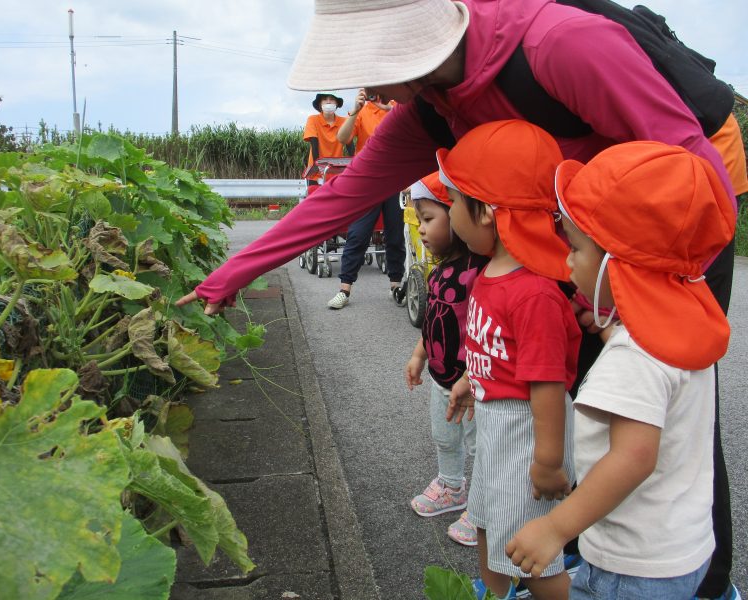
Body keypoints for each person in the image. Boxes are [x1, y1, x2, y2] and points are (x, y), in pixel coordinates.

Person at [178, 3, 738, 596]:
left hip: (680, 214)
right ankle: (571, 560)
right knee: (583, 394)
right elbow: (341, 199)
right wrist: (231, 274)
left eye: (367, 68)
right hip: (575, 232)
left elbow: (696, 169)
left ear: (408, 49)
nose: (363, 88)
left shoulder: (562, 46)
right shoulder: (429, 113)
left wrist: (638, 294)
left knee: (660, 402)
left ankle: (700, 578)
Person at [506, 141, 736, 599]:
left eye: (575, 248)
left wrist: (555, 527)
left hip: (633, 568)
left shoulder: (634, 358)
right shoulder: (685, 321)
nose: (567, 261)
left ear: (619, 263)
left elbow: (633, 457)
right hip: (684, 548)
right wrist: (616, 332)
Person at [439, 120, 581, 600]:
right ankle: (495, 593)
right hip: (497, 431)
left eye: (454, 200)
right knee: (485, 522)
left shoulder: (533, 292)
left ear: (486, 214)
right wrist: (468, 380)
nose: (449, 211)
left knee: (531, 549)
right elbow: (491, 349)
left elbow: (545, 383)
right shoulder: (491, 272)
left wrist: (546, 461)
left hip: (526, 435)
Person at [404, 172, 488, 546]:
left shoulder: (477, 272)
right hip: (441, 378)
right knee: (444, 435)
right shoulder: (439, 270)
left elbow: (483, 330)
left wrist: (470, 376)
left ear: (457, 215)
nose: (420, 229)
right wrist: (419, 354)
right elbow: (434, 319)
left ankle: (484, 506)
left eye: (428, 218)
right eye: (419, 220)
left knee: (480, 444)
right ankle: (453, 486)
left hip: (471, 384)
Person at [326, 88, 404, 309]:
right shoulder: (362, 110)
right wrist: (354, 110)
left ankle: (395, 285)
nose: (374, 93)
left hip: (394, 178)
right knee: (358, 234)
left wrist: (391, 108)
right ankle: (344, 288)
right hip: (367, 180)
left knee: (395, 234)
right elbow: (342, 138)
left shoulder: (398, 105)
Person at [303, 92, 346, 196]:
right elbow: (314, 143)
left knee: (335, 205)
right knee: (314, 204)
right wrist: (319, 169)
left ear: (336, 103)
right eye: (325, 99)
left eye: (332, 99)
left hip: (336, 171)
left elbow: (349, 143)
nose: (328, 102)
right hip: (315, 171)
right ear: (320, 104)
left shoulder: (344, 121)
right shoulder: (313, 119)